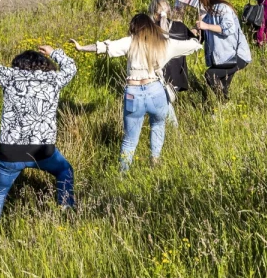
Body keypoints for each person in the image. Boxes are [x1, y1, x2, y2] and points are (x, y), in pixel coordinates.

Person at [0, 30, 77, 233]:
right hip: (43, 150)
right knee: (64, 171)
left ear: (19, 64)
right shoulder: (53, 80)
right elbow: (71, 67)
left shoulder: (10, 77)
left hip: (9, 152)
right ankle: (66, 215)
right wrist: (54, 52)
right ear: (44, 65)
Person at [71, 14, 202, 170]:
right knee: (158, 126)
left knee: (129, 140)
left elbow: (104, 47)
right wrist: (196, 39)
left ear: (134, 27)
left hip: (133, 93)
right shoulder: (164, 43)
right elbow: (191, 45)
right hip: (156, 90)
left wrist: (81, 47)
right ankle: (155, 162)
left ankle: (123, 174)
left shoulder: (130, 41)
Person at [193, 0, 252, 94]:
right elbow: (203, 32)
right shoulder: (209, 13)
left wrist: (207, 26)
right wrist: (194, 30)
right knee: (223, 86)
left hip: (236, 55)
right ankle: (224, 107)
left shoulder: (223, 8)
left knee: (210, 75)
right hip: (224, 57)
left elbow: (229, 28)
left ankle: (222, 105)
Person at [149, 0, 197, 98]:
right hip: (178, 77)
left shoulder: (149, 30)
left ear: (153, 13)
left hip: (158, 78)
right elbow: (195, 41)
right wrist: (197, 29)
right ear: (169, 11)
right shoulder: (180, 27)